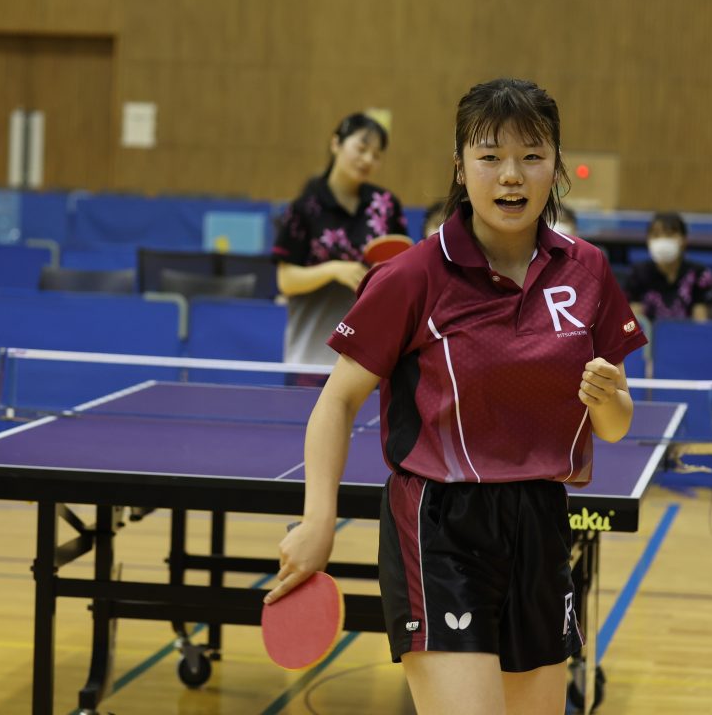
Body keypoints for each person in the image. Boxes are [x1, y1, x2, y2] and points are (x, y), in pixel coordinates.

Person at [265, 79, 647, 714]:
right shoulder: (414, 275)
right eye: (490, 156)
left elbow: (613, 425)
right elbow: (335, 402)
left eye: (532, 155)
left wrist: (607, 397)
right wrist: (318, 520)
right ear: (460, 167)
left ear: (555, 164)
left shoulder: (587, 270)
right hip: (441, 527)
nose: (511, 175)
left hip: (541, 522)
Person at [272, 113, 409, 365]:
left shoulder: (387, 205)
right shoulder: (305, 208)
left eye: (377, 155)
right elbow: (285, 280)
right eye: (362, 148)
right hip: (311, 352)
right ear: (336, 144)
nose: (368, 159)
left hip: (371, 355)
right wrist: (333, 270)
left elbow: (404, 271)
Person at [624, 212, 712, 322]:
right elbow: (636, 323)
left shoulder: (699, 275)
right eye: (656, 235)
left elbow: (700, 324)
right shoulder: (638, 273)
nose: (662, 240)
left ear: (684, 239)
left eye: (669, 234)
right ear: (648, 240)